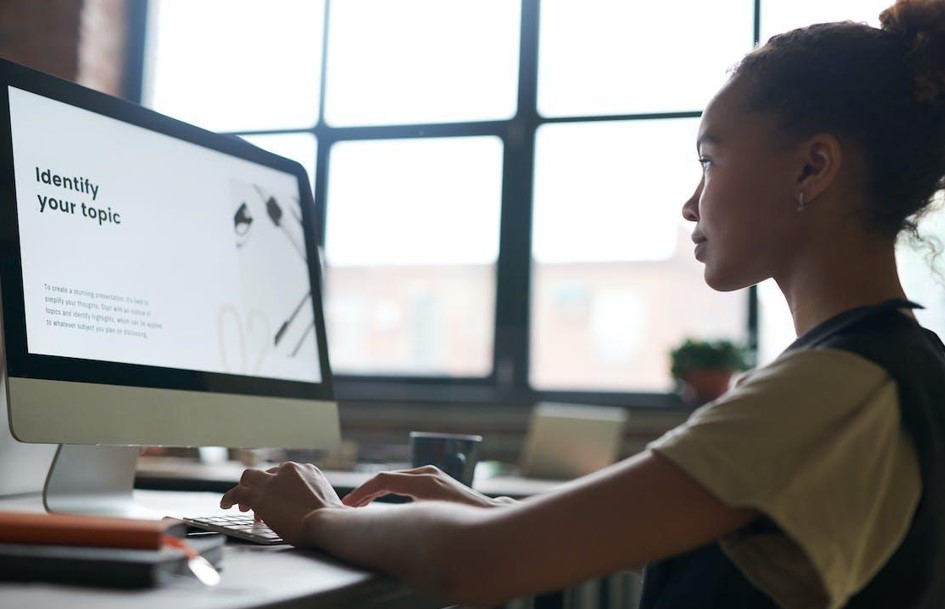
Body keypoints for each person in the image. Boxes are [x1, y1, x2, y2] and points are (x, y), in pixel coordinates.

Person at [221, 1, 945, 606]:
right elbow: (718, 564)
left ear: (812, 166)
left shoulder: (833, 387)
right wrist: (486, 510)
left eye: (708, 157)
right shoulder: (900, 366)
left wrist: (314, 515)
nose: (690, 201)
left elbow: (474, 564)